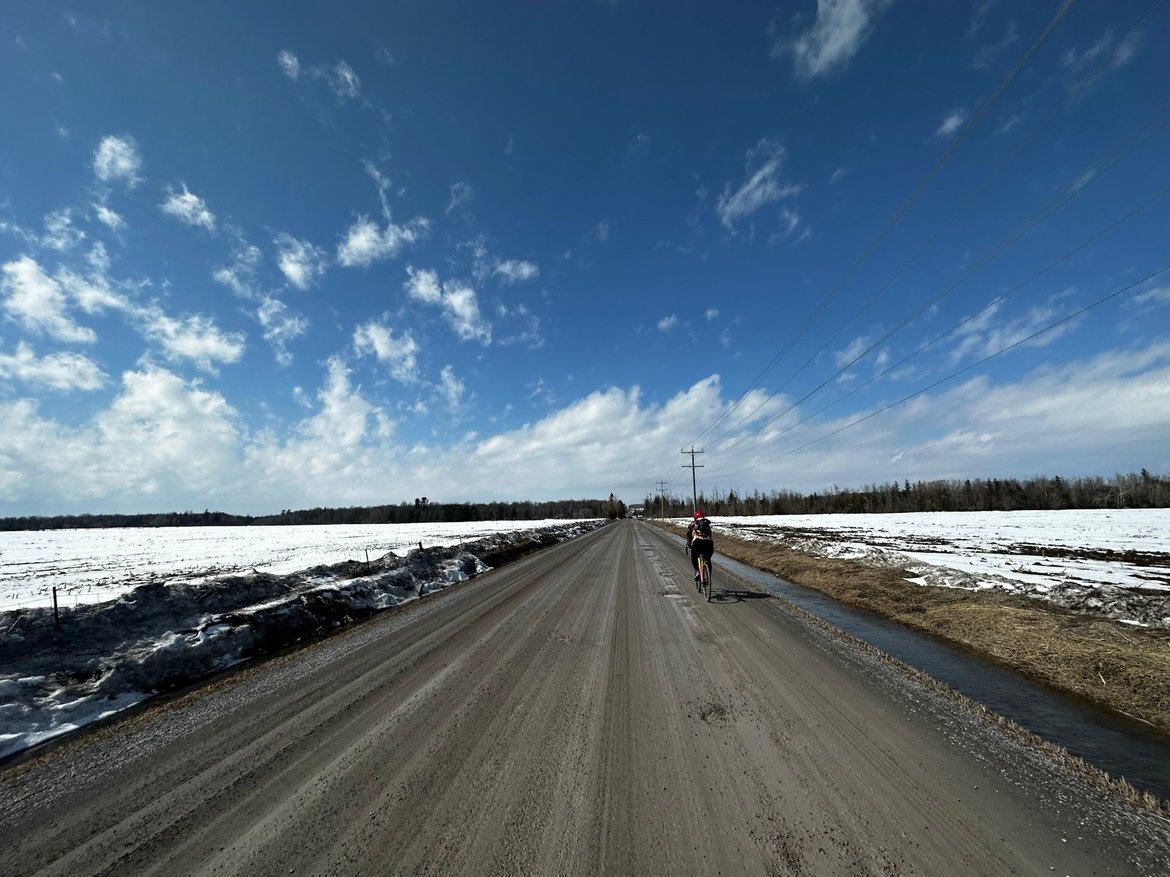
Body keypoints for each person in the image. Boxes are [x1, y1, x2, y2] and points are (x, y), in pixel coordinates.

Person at [685, 509, 714, 581]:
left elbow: (689, 536)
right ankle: (708, 576)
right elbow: (710, 535)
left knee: (694, 556)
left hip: (697, 542)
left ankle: (697, 571)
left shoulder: (693, 524)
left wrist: (689, 545)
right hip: (709, 543)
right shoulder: (707, 523)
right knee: (707, 559)